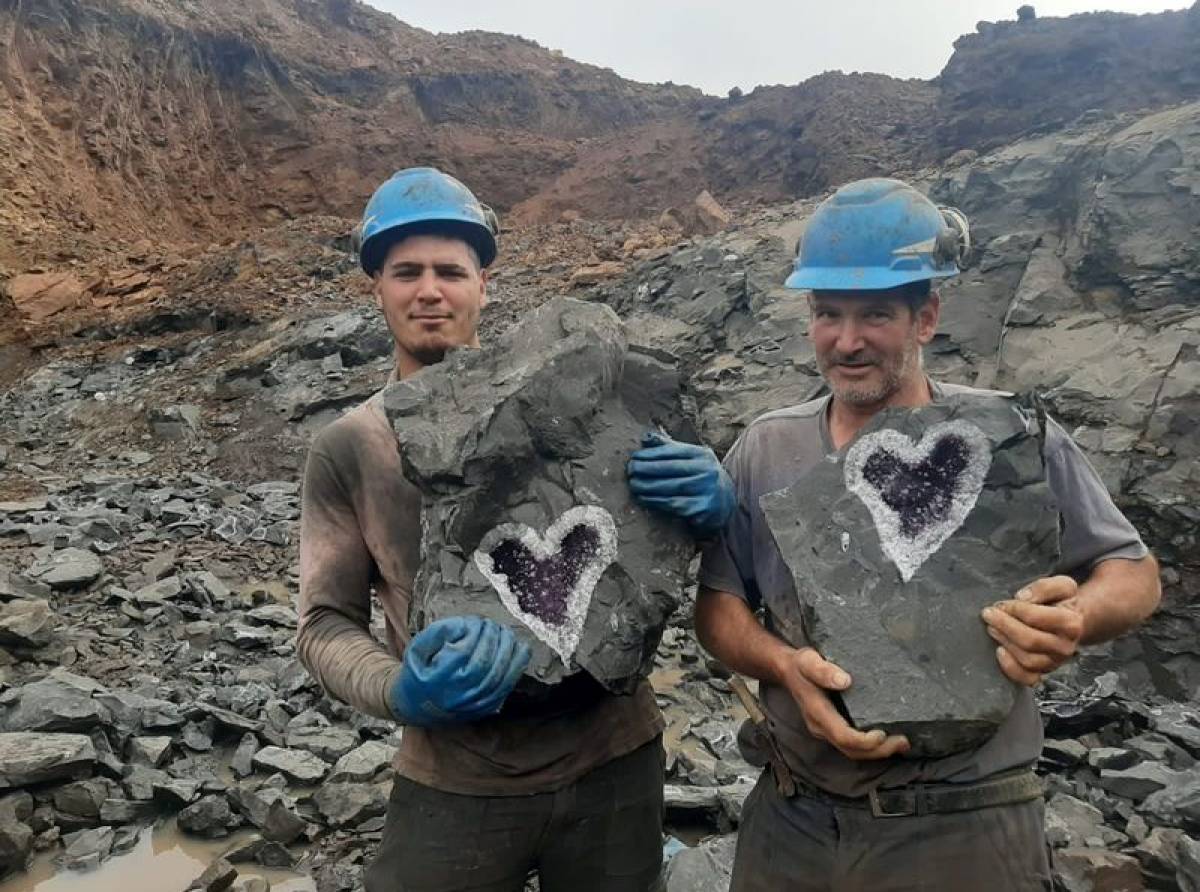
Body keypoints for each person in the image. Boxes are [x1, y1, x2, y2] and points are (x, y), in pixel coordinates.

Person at [694, 177, 1162, 891]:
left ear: (927, 316)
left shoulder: (1009, 435)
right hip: (793, 816)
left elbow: (1132, 571)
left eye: (875, 313)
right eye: (827, 314)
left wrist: (1073, 618)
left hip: (967, 821)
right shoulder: (767, 447)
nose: (846, 342)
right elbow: (718, 606)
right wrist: (784, 666)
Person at [296, 166, 733, 892]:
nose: (429, 290)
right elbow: (322, 624)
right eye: (406, 272)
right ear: (376, 286)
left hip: (614, 758)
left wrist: (721, 508)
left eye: (449, 271)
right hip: (456, 775)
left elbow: (672, 570)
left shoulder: (588, 404)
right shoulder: (351, 448)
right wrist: (399, 689)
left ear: (483, 284)